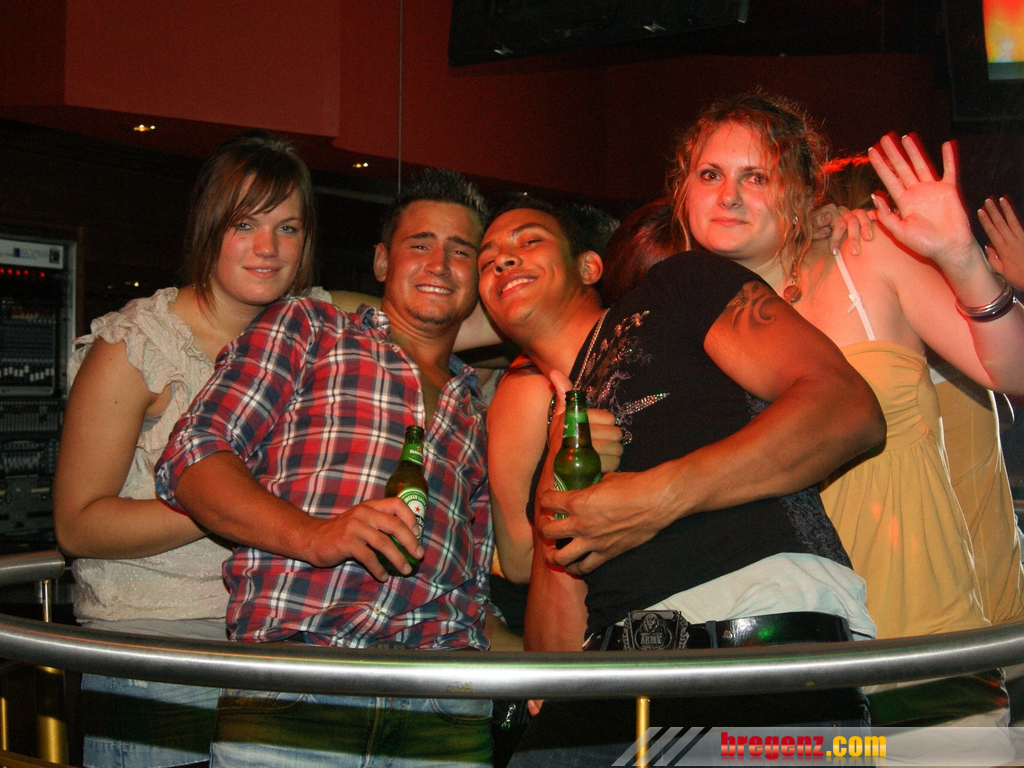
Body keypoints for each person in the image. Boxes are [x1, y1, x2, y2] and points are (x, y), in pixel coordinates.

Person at [475, 195, 884, 764]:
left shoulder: (674, 290)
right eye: (487, 259)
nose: (502, 259)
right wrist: (557, 478)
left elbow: (847, 408)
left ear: (588, 266)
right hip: (605, 684)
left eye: (528, 240)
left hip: (748, 638)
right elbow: (553, 660)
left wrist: (658, 497)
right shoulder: (555, 426)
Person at [155, 169, 495, 768]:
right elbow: (194, 453)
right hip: (301, 681)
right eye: (420, 244)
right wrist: (313, 536)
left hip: (444, 702)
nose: (440, 264)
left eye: (460, 250)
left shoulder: (478, 407)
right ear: (383, 261)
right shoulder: (311, 329)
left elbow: (477, 581)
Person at [52, 130, 322, 768]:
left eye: (287, 228)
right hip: (159, 647)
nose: (268, 248)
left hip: (282, 638)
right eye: (245, 224)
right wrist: (226, 503)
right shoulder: (137, 346)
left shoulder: (316, 324)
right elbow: (78, 524)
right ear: (209, 228)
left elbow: (433, 318)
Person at [825, 155, 1024, 628]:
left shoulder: (957, 329)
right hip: (927, 613)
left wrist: (998, 282)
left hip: (983, 610)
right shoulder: (863, 346)